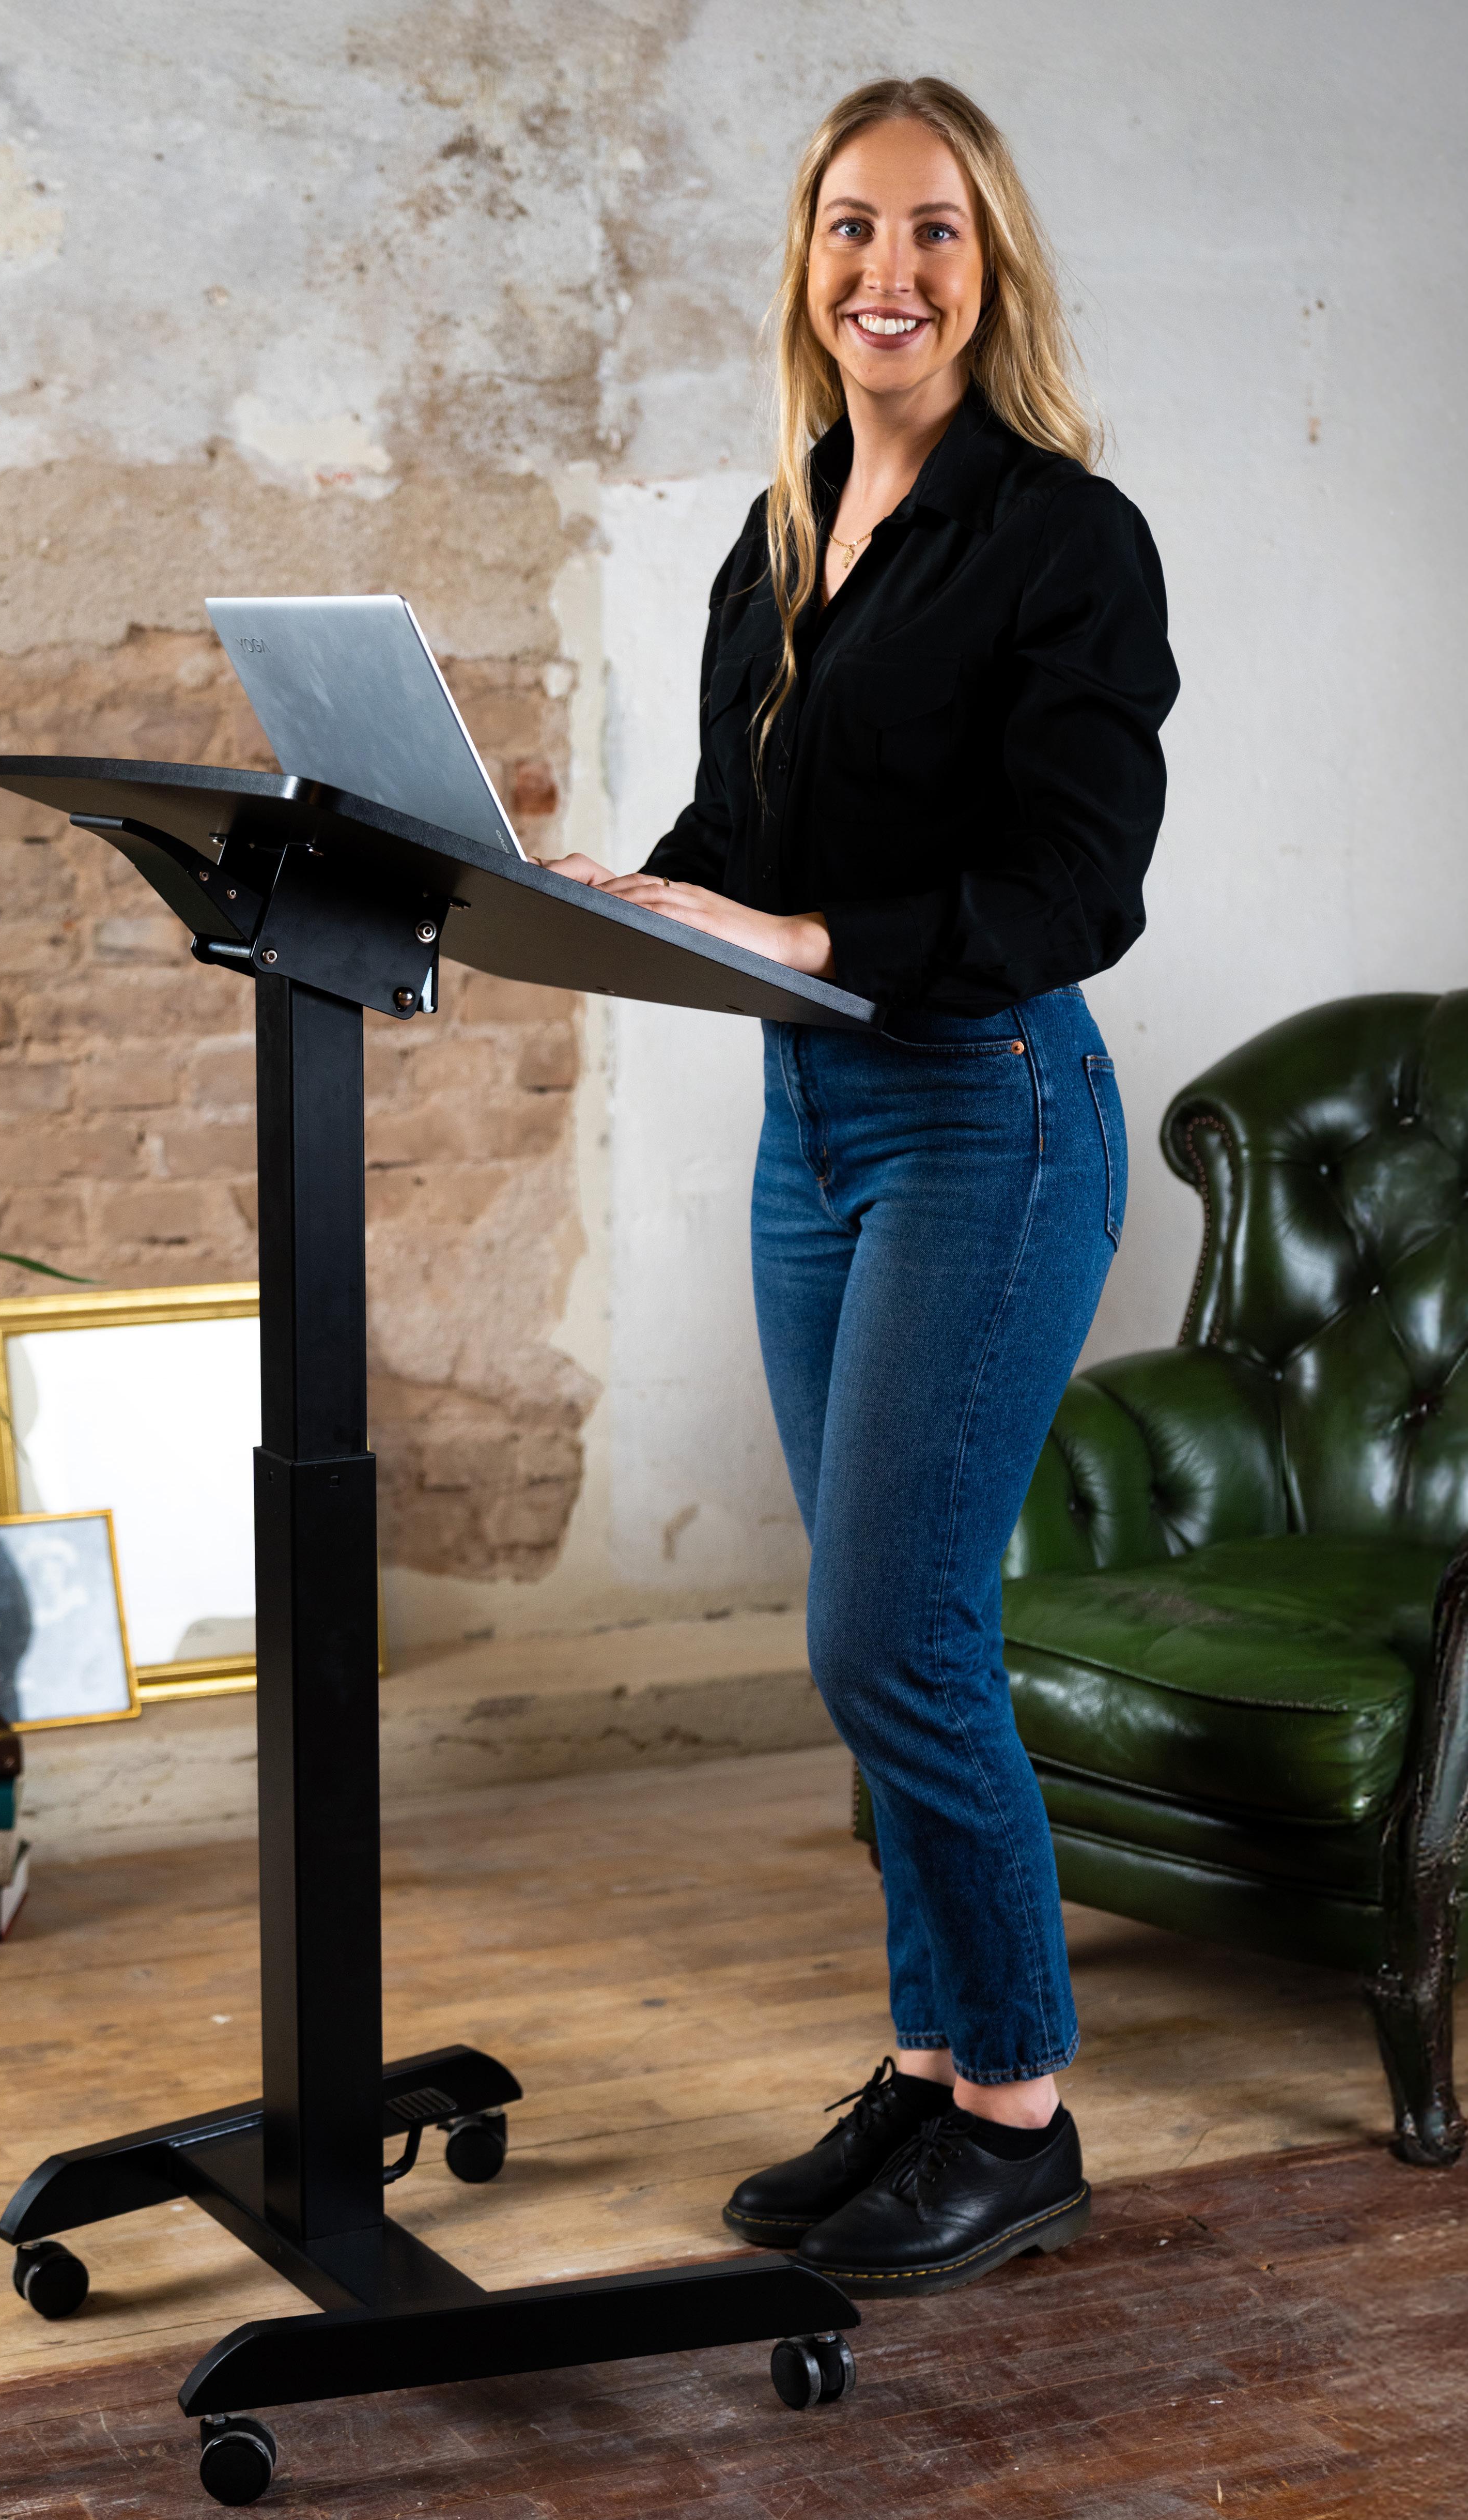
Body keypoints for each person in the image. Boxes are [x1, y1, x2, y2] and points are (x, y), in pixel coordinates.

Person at [543, 76, 1178, 2296]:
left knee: (887, 1634)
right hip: (813, 1126)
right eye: (848, 227)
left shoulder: (1064, 536)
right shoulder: (784, 525)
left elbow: (1079, 882)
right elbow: (747, 836)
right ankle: (926, 2069)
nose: (884, 272)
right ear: (803, 261)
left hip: (987, 1111)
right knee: (892, 1630)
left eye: (931, 231)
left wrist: (812, 938)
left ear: (989, 269)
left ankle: (1019, 2111)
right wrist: (620, 891)